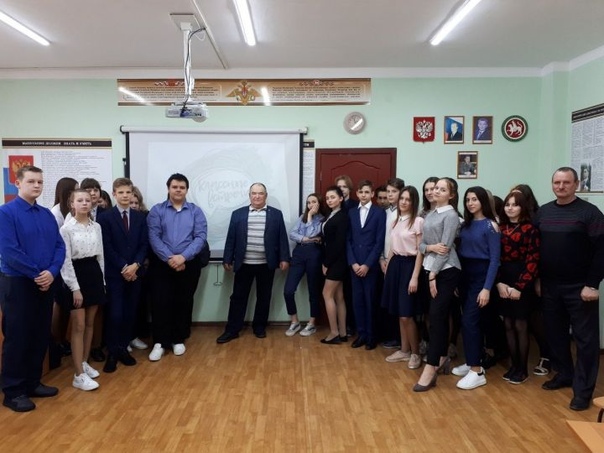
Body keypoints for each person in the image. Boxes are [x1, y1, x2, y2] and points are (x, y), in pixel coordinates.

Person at [536, 167, 604, 411]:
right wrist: (536, 279)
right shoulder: (543, 212)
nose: (561, 186)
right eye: (557, 182)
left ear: (576, 184)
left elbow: (602, 251)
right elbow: (534, 249)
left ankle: (583, 391)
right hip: (549, 286)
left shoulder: (590, 213)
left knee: (585, 341)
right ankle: (565, 374)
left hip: (580, 288)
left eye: (566, 182)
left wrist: (592, 284)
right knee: (555, 335)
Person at [0, 165, 66, 412]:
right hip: (18, 283)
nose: (37, 185)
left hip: (45, 282)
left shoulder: (46, 214)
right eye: (31, 181)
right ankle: (13, 391)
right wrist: (37, 274)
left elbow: (59, 246)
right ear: (18, 183)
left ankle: (32, 382)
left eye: (40, 182)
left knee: (39, 334)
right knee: (18, 337)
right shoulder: (6, 213)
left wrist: (52, 271)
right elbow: (9, 251)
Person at [217, 183, 290, 343]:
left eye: (260, 193)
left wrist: (284, 258)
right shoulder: (238, 214)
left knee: (264, 297)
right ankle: (232, 330)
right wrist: (227, 258)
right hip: (244, 264)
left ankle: (259, 327)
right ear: (249, 195)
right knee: (238, 297)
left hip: (266, 264)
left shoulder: (276, 214)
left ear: (266, 195)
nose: (257, 196)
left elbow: (282, 237)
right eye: (254, 193)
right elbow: (231, 238)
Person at [147, 173, 208, 360]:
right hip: (161, 264)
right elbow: (154, 237)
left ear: (187, 190)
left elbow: (200, 237)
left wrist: (183, 257)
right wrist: (170, 259)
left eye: (182, 187)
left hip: (188, 264)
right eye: (175, 187)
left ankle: (178, 339)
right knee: (160, 302)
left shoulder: (196, 211)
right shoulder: (157, 211)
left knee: (183, 301)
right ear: (168, 189)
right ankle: (159, 342)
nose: (178, 190)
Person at [413, 178, 461, 392]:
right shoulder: (430, 214)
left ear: (451, 195)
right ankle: (441, 358)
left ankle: (431, 367)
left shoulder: (451, 215)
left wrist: (433, 275)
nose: (436, 191)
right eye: (435, 188)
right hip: (430, 269)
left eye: (442, 189)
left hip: (446, 271)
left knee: (437, 316)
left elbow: (446, 248)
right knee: (434, 318)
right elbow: (422, 246)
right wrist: (430, 247)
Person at [97, 178, 149, 372]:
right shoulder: (105, 217)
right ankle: (112, 352)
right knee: (115, 314)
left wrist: (135, 266)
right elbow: (106, 246)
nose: (125, 196)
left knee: (129, 313)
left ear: (132, 193)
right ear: (114, 194)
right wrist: (124, 267)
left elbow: (144, 244)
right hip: (115, 274)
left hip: (135, 274)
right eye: (121, 192)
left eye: (128, 192)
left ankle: (123, 349)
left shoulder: (140, 217)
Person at [452, 186, 501, 390]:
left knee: (469, 321)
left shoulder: (491, 226)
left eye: (475, 199)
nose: (471, 203)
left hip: (481, 277)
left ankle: (477, 371)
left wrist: (487, 288)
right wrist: (457, 282)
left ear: (483, 201)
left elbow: (495, 260)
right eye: (468, 200)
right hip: (465, 275)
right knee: (469, 322)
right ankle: (474, 359)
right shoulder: (465, 225)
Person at [60, 189, 105, 391]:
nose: (85, 203)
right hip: (75, 275)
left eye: (87, 200)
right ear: (72, 204)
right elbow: (65, 261)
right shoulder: (66, 229)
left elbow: (100, 255)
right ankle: (78, 375)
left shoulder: (96, 226)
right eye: (80, 200)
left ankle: (84, 362)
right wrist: (75, 288)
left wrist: (102, 281)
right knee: (78, 325)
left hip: (93, 272)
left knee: (89, 323)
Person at [495, 191, 540, 385]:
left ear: (523, 207)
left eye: (515, 205)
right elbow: (494, 258)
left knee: (521, 325)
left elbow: (533, 260)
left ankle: (522, 369)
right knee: (508, 323)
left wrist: (520, 287)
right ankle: (513, 365)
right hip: (503, 279)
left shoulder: (531, 229)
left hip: (523, 280)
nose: (510, 208)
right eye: (507, 204)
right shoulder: (499, 228)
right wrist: (498, 283)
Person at [381, 186, 424, 369]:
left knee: (407, 314)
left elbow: (421, 251)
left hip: (410, 266)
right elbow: (392, 247)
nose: (404, 202)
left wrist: (415, 277)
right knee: (400, 313)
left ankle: (415, 353)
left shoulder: (418, 221)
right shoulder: (395, 221)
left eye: (408, 199)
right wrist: (387, 267)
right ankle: (404, 350)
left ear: (414, 202)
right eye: (402, 199)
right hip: (395, 266)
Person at [510, 183, 550, 375]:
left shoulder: (536, 220)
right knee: (517, 321)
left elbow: (536, 255)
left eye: (518, 199)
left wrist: (537, 279)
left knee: (535, 320)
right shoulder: (507, 224)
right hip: (513, 278)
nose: (512, 204)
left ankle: (546, 356)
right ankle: (516, 362)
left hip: (533, 277)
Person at [347, 180, 386, 350]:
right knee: (358, 301)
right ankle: (361, 334)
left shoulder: (379, 213)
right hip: (355, 265)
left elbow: (379, 241)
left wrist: (367, 265)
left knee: (371, 301)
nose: (363, 195)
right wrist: (353, 263)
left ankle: (371, 336)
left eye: (366, 192)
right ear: (357, 193)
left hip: (370, 266)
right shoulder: (351, 213)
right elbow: (348, 240)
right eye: (361, 192)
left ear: (372, 194)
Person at [283, 193, 326, 337]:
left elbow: (311, 232)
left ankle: (312, 323)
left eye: (314, 202)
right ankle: (294, 321)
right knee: (288, 290)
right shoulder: (302, 217)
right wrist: (307, 239)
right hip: (299, 254)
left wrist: (310, 218)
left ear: (319, 203)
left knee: (313, 291)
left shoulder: (323, 219)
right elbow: (292, 234)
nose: (310, 205)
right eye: (308, 202)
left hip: (314, 254)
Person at [320, 186, 349, 344]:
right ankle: (343, 333)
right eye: (327, 198)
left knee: (327, 294)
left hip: (337, 261)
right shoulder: (330, 214)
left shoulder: (342, 216)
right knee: (338, 296)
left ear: (341, 198)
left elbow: (338, 244)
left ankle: (334, 333)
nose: (329, 200)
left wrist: (327, 263)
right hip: (336, 260)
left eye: (333, 197)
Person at [378, 177, 405, 349]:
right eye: (388, 191)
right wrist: (382, 258)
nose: (390, 195)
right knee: (387, 300)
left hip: (398, 260)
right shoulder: (386, 212)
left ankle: (399, 338)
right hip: (385, 260)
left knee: (398, 301)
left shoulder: (405, 213)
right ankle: (389, 334)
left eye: (394, 191)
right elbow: (384, 238)